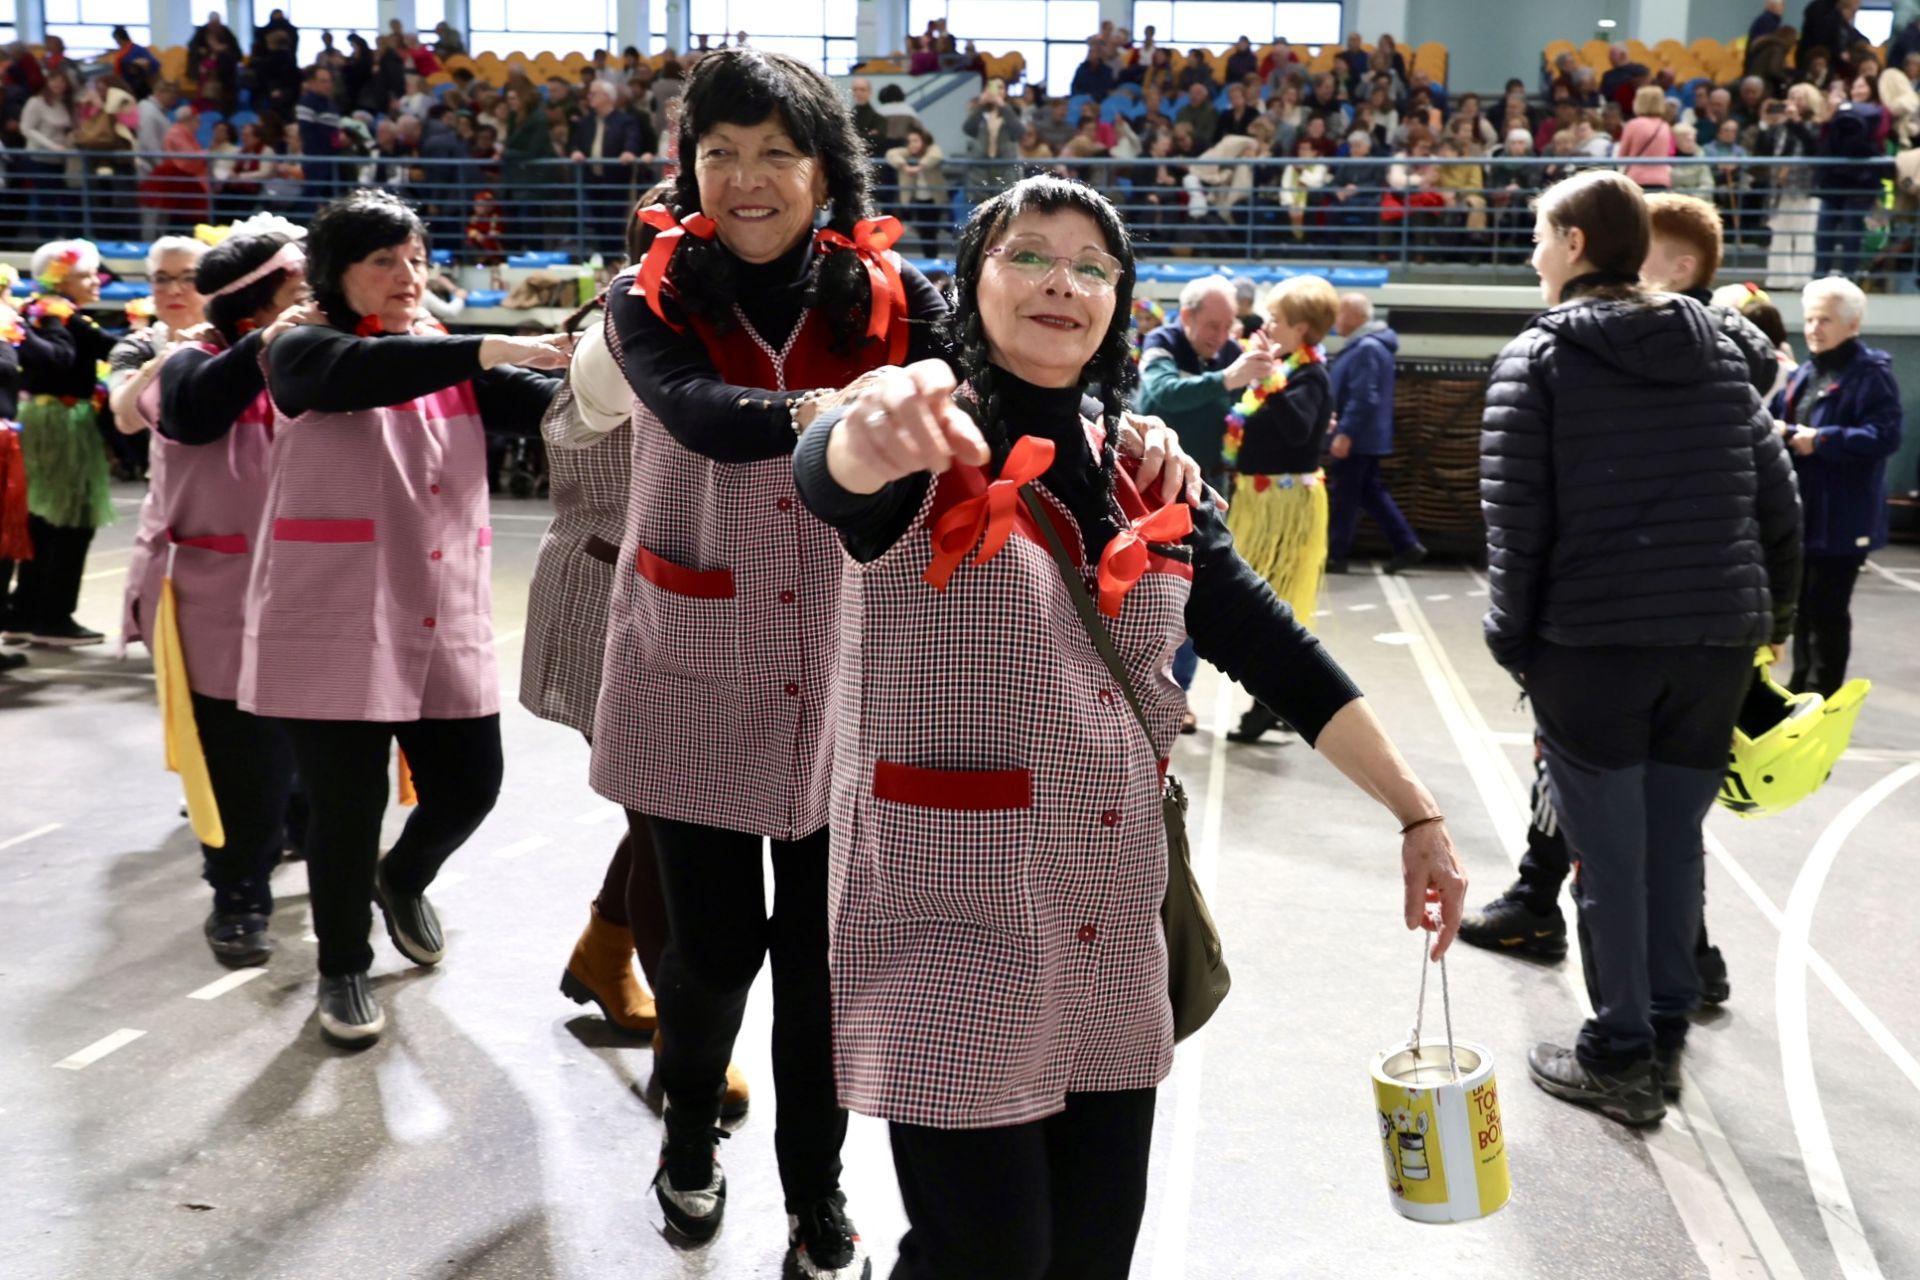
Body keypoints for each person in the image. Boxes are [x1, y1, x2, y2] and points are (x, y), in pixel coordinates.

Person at [793, 173, 1467, 1280]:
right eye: (1029, 255)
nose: (1063, 280)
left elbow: (1269, 645)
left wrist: (1419, 812)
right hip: (951, 919)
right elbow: (831, 472)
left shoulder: (1142, 467)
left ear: (1119, 301)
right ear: (972, 282)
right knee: (984, 1255)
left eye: (1093, 265)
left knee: (1094, 1252)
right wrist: (872, 432)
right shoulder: (920, 430)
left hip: (1111, 917)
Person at [592, 49, 948, 1276]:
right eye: (720, 152)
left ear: (824, 170)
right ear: (688, 168)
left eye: (776, 153)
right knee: (713, 953)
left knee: (826, 961)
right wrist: (847, 411)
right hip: (690, 664)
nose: (747, 179)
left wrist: (1145, 427)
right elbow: (693, 410)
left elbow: (1001, 401)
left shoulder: (899, 298)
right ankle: (688, 1130)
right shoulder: (645, 293)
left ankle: (817, 1191)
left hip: (855, 676)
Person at [1481, 170, 1801, 1126]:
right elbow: (1777, 498)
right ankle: (1662, 1027)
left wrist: (1515, 646)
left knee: (1608, 857)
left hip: (1594, 645)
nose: (1534, 254)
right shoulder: (1717, 353)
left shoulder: (1538, 358)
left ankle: (1618, 1051)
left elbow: (1516, 524)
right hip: (1713, 644)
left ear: (1576, 244)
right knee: (1672, 843)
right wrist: (1768, 624)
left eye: (1541, 236)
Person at [252, 189, 568, 1047]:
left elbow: (551, 401)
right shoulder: (299, 346)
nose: (406, 276)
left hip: (437, 609)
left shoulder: (439, 353)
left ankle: (404, 876)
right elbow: (350, 377)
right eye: (383, 261)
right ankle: (343, 968)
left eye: (416, 260)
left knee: (471, 784)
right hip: (333, 615)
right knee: (345, 806)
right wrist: (488, 343)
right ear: (335, 274)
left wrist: (609, 357)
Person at [526, 251, 751, 1116]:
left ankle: (603, 946)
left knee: (674, 815)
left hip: (706, 615)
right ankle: (682, 1040)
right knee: (668, 825)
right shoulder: (622, 334)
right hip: (610, 599)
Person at [121, 231, 311, 966]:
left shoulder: (319, 352)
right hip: (217, 598)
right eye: (299, 291)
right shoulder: (180, 363)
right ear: (257, 304)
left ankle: (302, 840)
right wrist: (272, 340)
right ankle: (238, 895)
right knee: (243, 762)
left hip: (311, 589)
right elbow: (185, 409)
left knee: (310, 753)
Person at [1134, 275, 1274, 728]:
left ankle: (1180, 695)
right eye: (1212, 325)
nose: (1221, 336)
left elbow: (1249, 404)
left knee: (1198, 589)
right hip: (1152, 485)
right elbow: (1157, 394)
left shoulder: (1227, 351)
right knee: (1154, 594)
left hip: (1209, 486)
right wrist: (1226, 379)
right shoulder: (1162, 341)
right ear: (1187, 316)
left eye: (1228, 326)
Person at [1219, 276, 1334, 744]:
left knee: (1269, 604)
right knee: (1268, 601)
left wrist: (1271, 381)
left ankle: (1267, 705)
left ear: (1300, 329)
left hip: (1284, 505)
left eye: (1275, 319)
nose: (1265, 325)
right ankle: (1282, 702)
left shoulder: (1308, 375)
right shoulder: (1287, 369)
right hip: (1260, 498)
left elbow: (1298, 428)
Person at [1776, 276, 1901, 697]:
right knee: (1802, 613)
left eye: (1825, 319)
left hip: (1842, 519)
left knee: (1827, 613)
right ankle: (1799, 692)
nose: (1814, 328)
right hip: (1805, 513)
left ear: (1853, 324)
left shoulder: (1870, 374)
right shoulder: (1805, 373)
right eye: (1810, 318)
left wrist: (1822, 439)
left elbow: (1885, 436)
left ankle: (1821, 699)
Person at [13, 240, 117, 647]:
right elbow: (107, 348)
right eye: (87, 275)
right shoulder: (61, 316)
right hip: (61, 421)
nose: (97, 282)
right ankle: (54, 616)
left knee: (43, 518)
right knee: (73, 517)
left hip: (39, 418)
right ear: (61, 276)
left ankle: (26, 611)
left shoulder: (41, 309)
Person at [1325, 293, 1422, 576]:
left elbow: (1363, 396)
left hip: (1357, 439)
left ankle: (1336, 555)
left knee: (1345, 498)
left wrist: (1345, 433)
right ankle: (1407, 545)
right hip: (1365, 437)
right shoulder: (1371, 346)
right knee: (1370, 493)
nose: (1335, 322)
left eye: (1339, 314)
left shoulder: (1366, 348)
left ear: (1355, 316)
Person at [568, 80, 651, 255]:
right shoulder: (585, 122)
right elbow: (574, 143)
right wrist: (575, 152)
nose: (589, 97)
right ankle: (604, 259)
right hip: (593, 179)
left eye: (594, 93)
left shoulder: (625, 121)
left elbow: (632, 140)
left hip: (616, 179)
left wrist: (628, 151)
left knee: (614, 221)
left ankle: (614, 259)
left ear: (607, 97)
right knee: (597, 221)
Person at [1757, 84, 1824, 285]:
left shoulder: (1818, 124)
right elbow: (1764, 152)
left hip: (1806, 187)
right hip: (1781, 187)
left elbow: (1814, 148)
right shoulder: (1780, 126)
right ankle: (1777, 280)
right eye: (1791, 97)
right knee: (1780, 233)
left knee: (1805, 235)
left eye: (1800, 97)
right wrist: (1765, 124)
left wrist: (1796, 121)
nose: (1794, 101)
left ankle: (1802, 280)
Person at [1814, 94, 1887, 276]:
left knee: (1851, 233)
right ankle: (1820, 277)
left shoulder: (1877, 114)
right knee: (1824, 232)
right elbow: (1821, 143)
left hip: (1859, 185)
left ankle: (1849, 278)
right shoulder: (1834, 120)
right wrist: (1829, 118)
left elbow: (1879, 140)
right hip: (1833, 183)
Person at [886, 125, 947, 260]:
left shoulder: (932, 150)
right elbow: (891, 154)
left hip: (933, 200)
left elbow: (936, 155)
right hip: (915, 200)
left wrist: (919, 167)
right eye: (910, 141)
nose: (912, 144)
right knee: (923, 232)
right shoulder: (906, 154)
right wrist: (904, 165)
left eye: (916, 140)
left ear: (923, 141)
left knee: (930, 232)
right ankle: (928, 258)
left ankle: (932, 259)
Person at [1619, 84, 1675, 190]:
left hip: (1637, 179)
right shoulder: (1665, 126)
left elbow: (1622, 156)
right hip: (1661, 179)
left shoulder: (1633, 124)